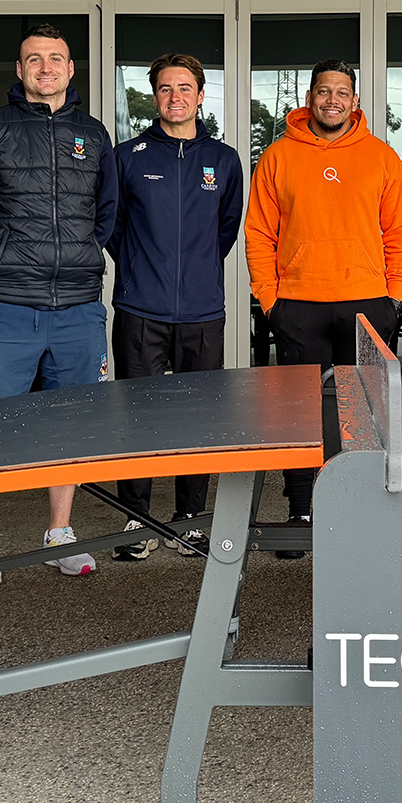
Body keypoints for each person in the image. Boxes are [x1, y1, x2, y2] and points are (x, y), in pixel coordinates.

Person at [0, 22, 119, 584]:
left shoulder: (93, 134)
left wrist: (77, 255)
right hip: (8, 305)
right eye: (34, 59)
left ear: (71, 70)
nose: (45, 67)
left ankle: (60, 533)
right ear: (20, 70)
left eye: (55, 58)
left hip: (78, 306)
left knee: (70, 423)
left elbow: (106, 212)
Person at [245, 59, 402, 556]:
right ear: (309, 98)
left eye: (342, 92)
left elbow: (401, 233)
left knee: (365, 416)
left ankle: (362, 510)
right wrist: (270, 299)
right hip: (298, 304)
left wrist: (395, 296)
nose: (332, 100)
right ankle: (301, 508)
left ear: (355, 101)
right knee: (299, 414)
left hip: (367, 303)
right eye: (324, 91)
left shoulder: (381, 157)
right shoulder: (278, 156)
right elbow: (259, 233)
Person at [108, 53, 245, 560]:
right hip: (140, 308)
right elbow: (114, 226)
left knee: (198, 418)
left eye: (185, 88)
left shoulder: (224, 160)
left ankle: (190, 520)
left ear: (201, 95)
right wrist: (143, 268)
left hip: (203, 311)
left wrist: (195, 272)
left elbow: (224, 230)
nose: (175, 97)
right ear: (154, 96)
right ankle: (136, 519)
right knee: (137, 417)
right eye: (166, 88)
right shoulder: (128, 156)